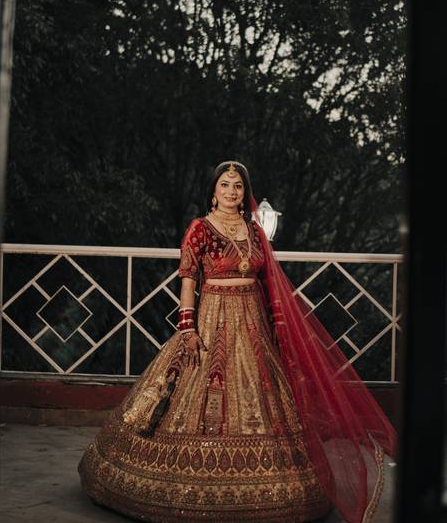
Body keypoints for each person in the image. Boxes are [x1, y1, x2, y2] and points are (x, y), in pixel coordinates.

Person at [79, 160, 396, 523]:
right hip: (211, 320)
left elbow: (267, 283)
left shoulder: (254, 231)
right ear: (214, 191)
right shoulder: (200, 229)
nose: (232, 192)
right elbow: (187, 279)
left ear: (245, 193)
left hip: (252, 326)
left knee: (263, 399)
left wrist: (276, 328)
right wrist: (187, 328)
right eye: (226, 185)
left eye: (238, 186)